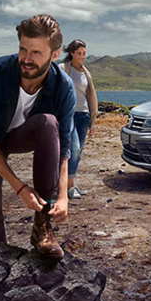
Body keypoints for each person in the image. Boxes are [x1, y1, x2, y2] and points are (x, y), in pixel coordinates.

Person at [0, 14, 75, 260]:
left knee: (48, 123)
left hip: (20, 135)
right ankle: (0, 258)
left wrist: (62, 196)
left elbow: (64, 145)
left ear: (54, 54)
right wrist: (19, 187)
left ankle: (43, 229)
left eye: (36, 52)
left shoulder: (64, 87)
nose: (27, 59)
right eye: (23, 49)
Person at [59, 39, 97, 200]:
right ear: (72, 53)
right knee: (73, 148)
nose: (82, 56)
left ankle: (71, 184)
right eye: (79, 53)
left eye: (84, 53)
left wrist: (92, 121)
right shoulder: (62, 69)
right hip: (69, 114)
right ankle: (66, 187)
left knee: (78, 150)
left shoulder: (85, 73)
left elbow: (90, 95)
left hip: (84, 115)